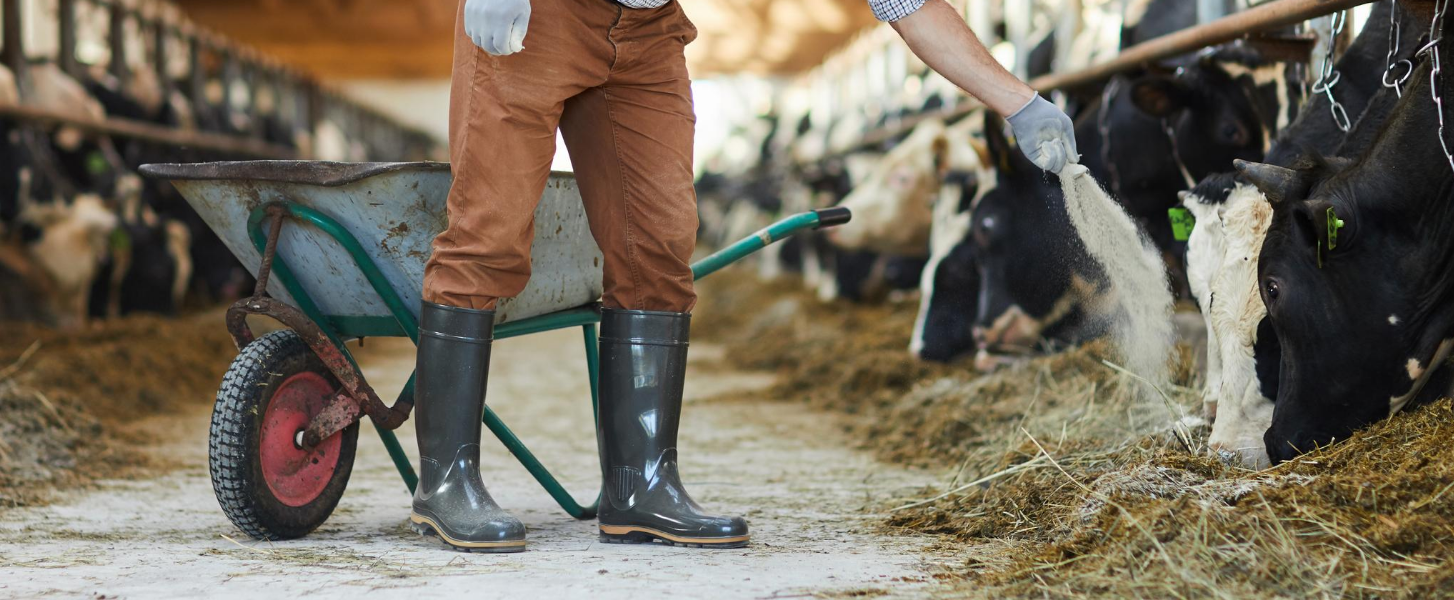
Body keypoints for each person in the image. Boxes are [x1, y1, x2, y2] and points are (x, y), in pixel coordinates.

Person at [408, 0, 1078, 553]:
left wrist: (1020, 103)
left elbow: (908, 3)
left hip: (647, 33)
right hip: (541, 17)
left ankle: (641, 486)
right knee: (489, 235)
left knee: (659, 249)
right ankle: (446, 481)